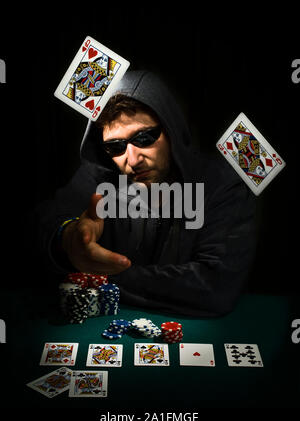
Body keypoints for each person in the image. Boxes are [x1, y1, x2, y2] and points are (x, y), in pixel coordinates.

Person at [36, 70, 257, 317]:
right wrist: (67, 238)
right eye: (115, 146)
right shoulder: (100, 175)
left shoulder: (222, 183)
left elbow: (214, 288)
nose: (132, 159)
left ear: (171, 129)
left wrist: (102, 277)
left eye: (144, 138)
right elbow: (41, 225)